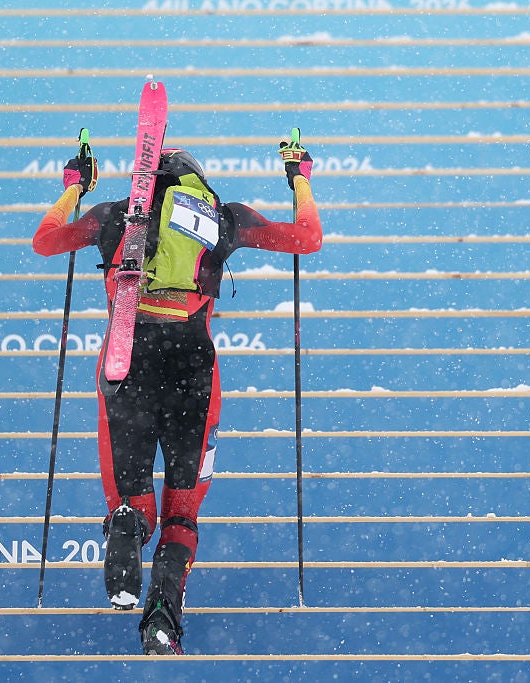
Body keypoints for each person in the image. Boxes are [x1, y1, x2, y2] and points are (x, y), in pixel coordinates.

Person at [32, 135, 322, 655]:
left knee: (133, 500)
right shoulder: (223, 216)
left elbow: (45, 241)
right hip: (194, 371)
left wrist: (74, 187)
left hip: (126, 365)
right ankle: (162, 617)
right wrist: (299, 177)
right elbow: (308, 238)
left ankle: (127, 528)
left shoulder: (114, 215)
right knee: (182, 515)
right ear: (196, 180)